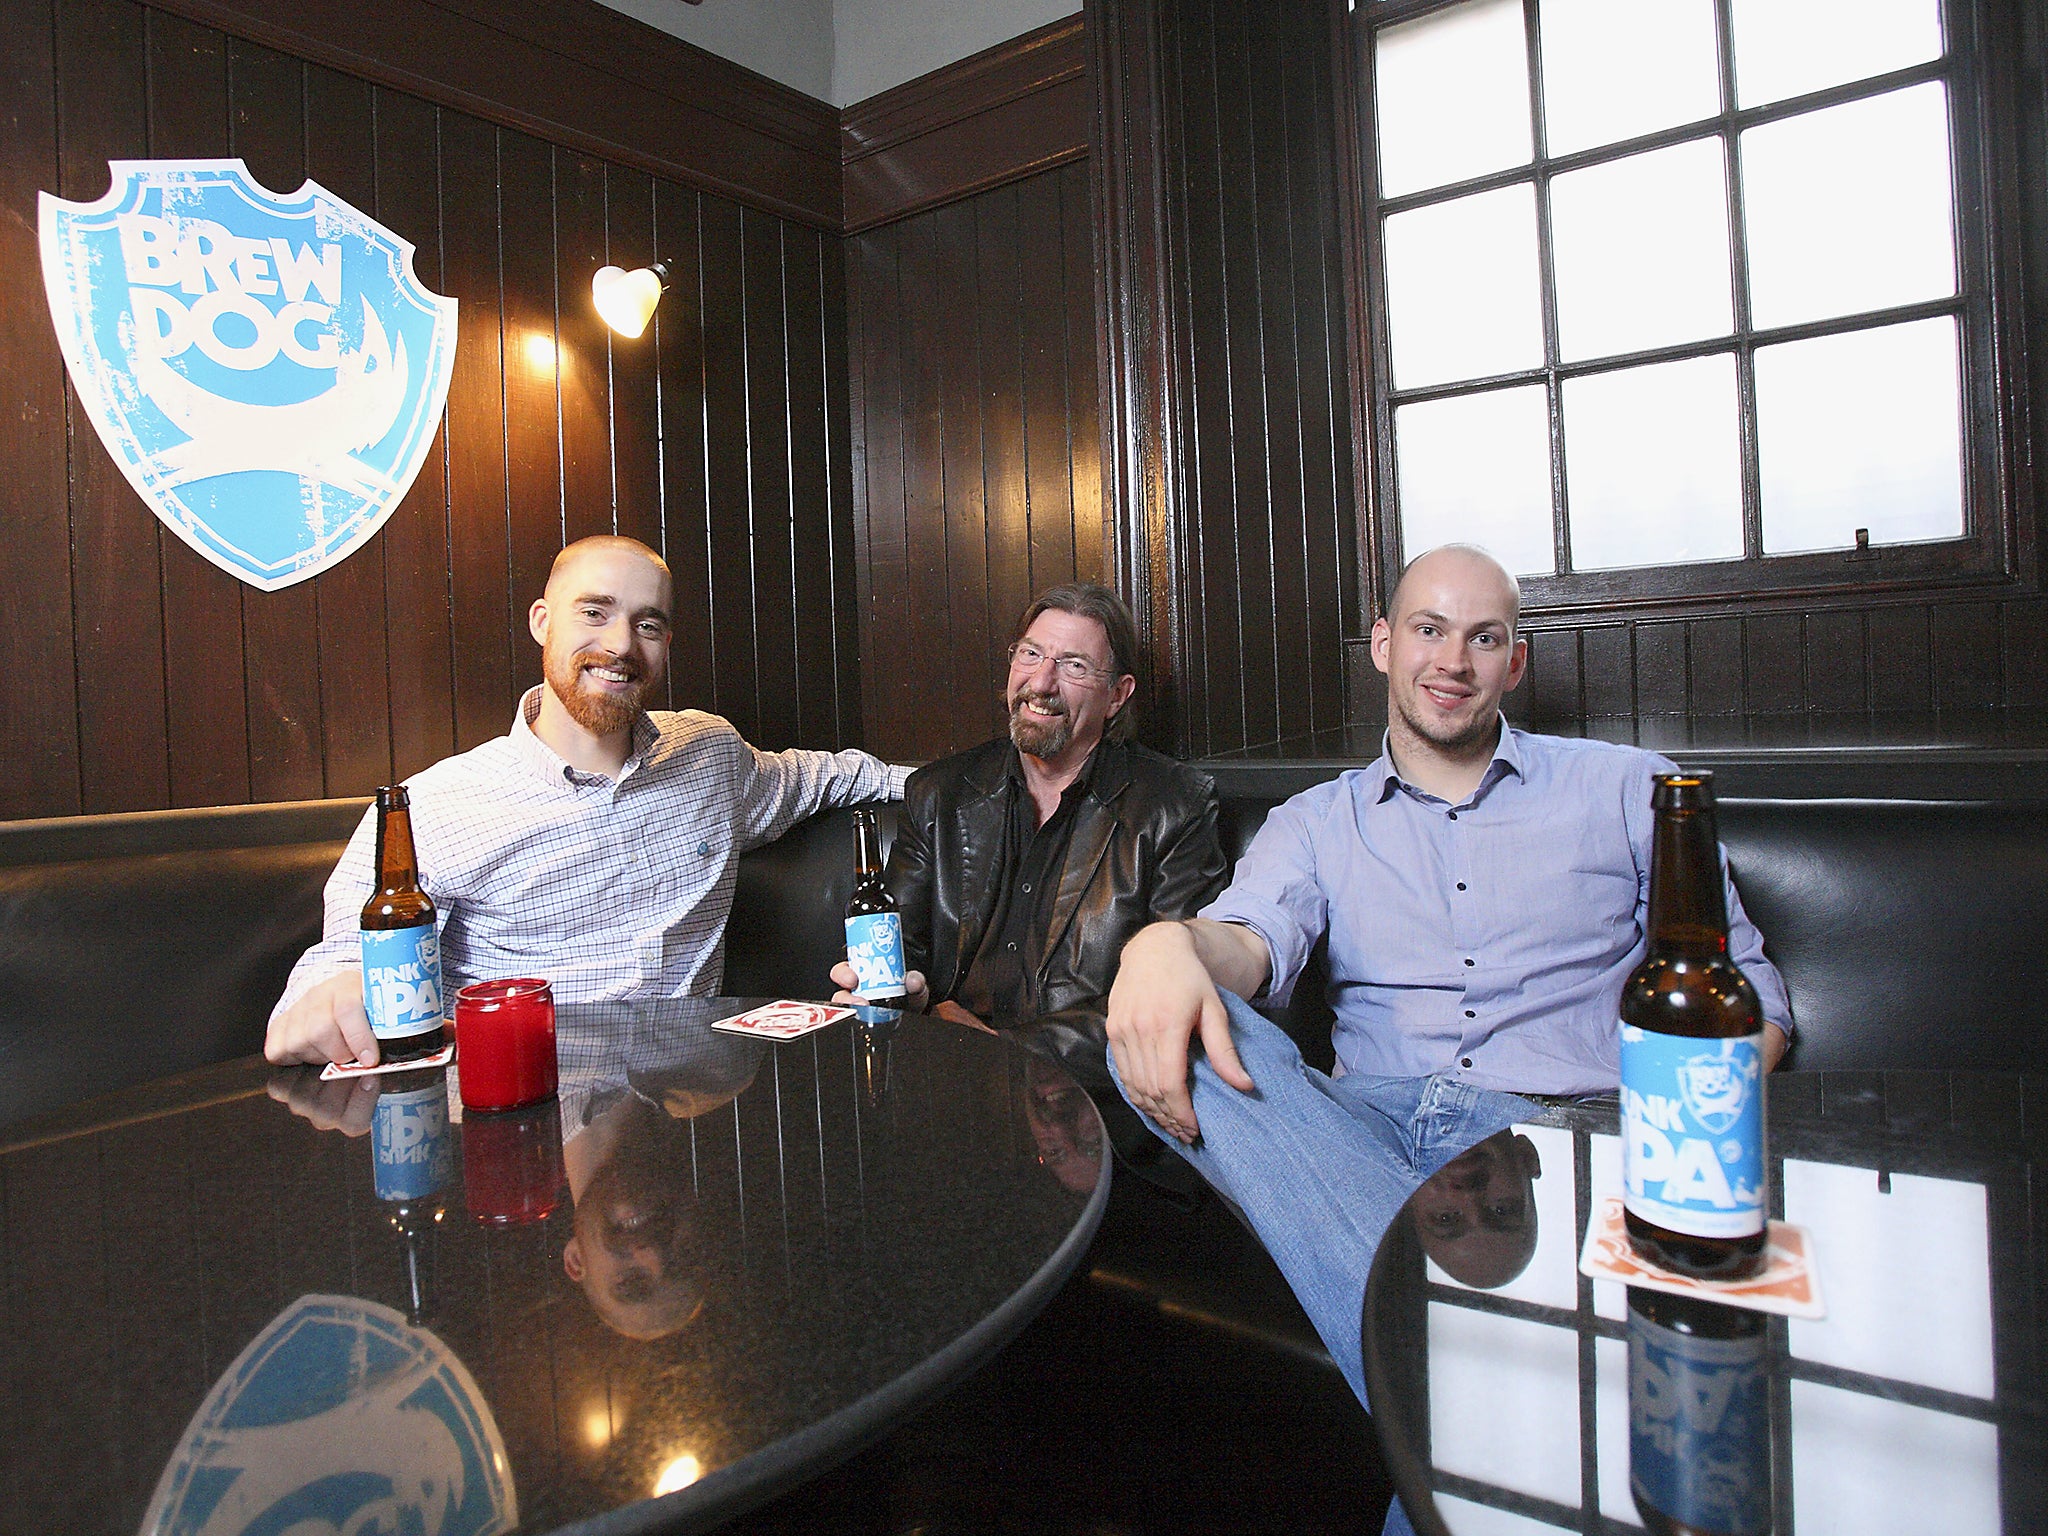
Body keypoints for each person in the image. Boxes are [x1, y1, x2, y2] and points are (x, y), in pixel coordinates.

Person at [1105, 543, 1792, 1414]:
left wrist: (1662, 1144)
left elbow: (1750, 998)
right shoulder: (1315, 822)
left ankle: (1458, 1401)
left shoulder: (1627, 790)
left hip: (1559, 1132)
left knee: (1440, 1411)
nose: (1453, 662)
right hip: (1357, 1131)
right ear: (1385, 643)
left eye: (1485, 638)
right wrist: (1166, 946)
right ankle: (1494, 1390)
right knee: (1171, 1025)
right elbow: (1248, 943)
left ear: (1516, 663)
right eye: (1430, 629)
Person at [268, 535, 907, 1068]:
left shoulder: (711, 756)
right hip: (520, 1124)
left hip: (687, 1123)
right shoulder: (434, 805)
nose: (622, 645)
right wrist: (331, 1001)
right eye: (594, 613)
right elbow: (344, 963)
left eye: (647, 624)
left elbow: (835, 776)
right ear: (542, 621)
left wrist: (988, 780)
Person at [830, 584, 1227, 1051]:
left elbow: (1172, 993)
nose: (1040, 684)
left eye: (1074, 666)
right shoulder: (940, 794)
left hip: (1085, 1093)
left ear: (1117, 695)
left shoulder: (1174, 807)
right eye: (1031, 654)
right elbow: (898, 940)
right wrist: (899, 991)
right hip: (941, 1071)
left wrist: (1000, 1049)